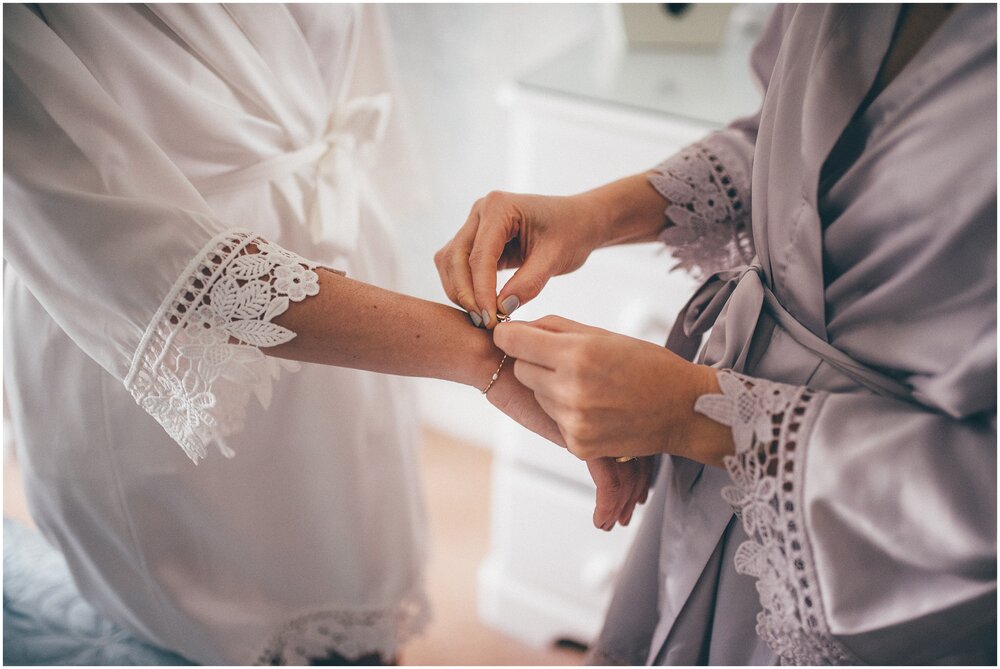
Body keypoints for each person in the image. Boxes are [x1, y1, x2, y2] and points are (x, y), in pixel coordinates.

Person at [3, 4, 649, 665]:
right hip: (163, 347)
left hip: (350, 292)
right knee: (203, 622)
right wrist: (487, 359)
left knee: (349, 564)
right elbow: (118, 243)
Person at [436, 3, 996, 664]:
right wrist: (593, 215)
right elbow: (793, 140)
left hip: (887, 557)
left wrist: (698, 414)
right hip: (720, 462)